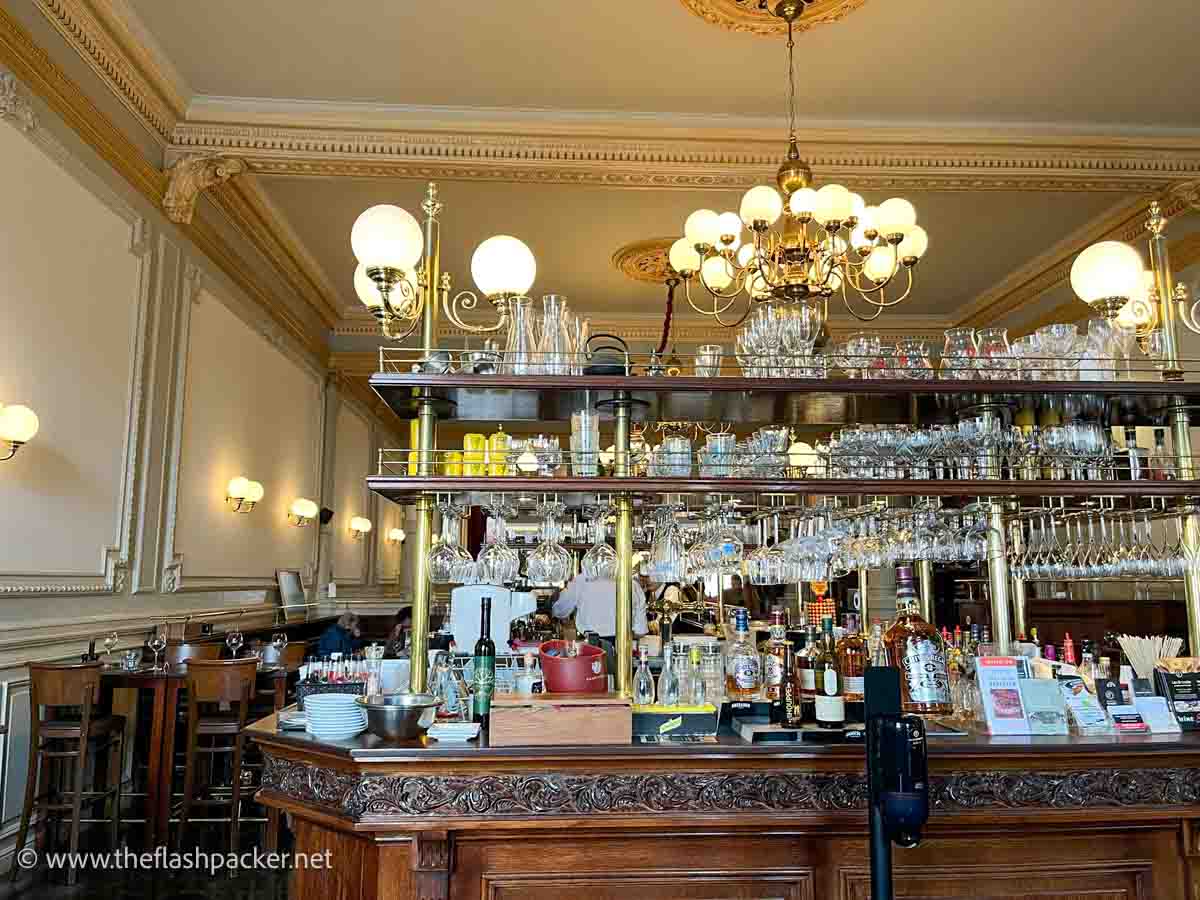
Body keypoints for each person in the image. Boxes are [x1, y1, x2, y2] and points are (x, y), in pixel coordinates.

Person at [552, 572, 648, 646]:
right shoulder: (631, 582)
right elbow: (640, 631)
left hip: (591, 646)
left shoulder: (581, 580)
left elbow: (560, 610)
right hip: (624, 648)